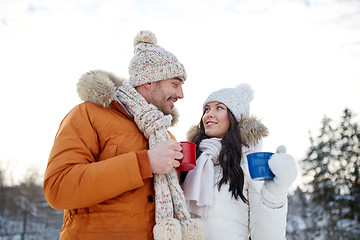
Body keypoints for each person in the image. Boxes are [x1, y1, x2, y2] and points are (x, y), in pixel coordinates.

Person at [43, 30, 203, 240]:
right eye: (175, 83)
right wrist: (144, 163)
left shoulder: (164, 136)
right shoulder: (89, 115)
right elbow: (58, 188)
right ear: (149, 82)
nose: (181, 94)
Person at [181, 84, 298, 240]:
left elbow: (265, 236)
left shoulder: (250, 165)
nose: (209, 114)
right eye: (206, 109)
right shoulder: (193, 160)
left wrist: (276, 193)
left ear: (235, 117)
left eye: (219, 108)